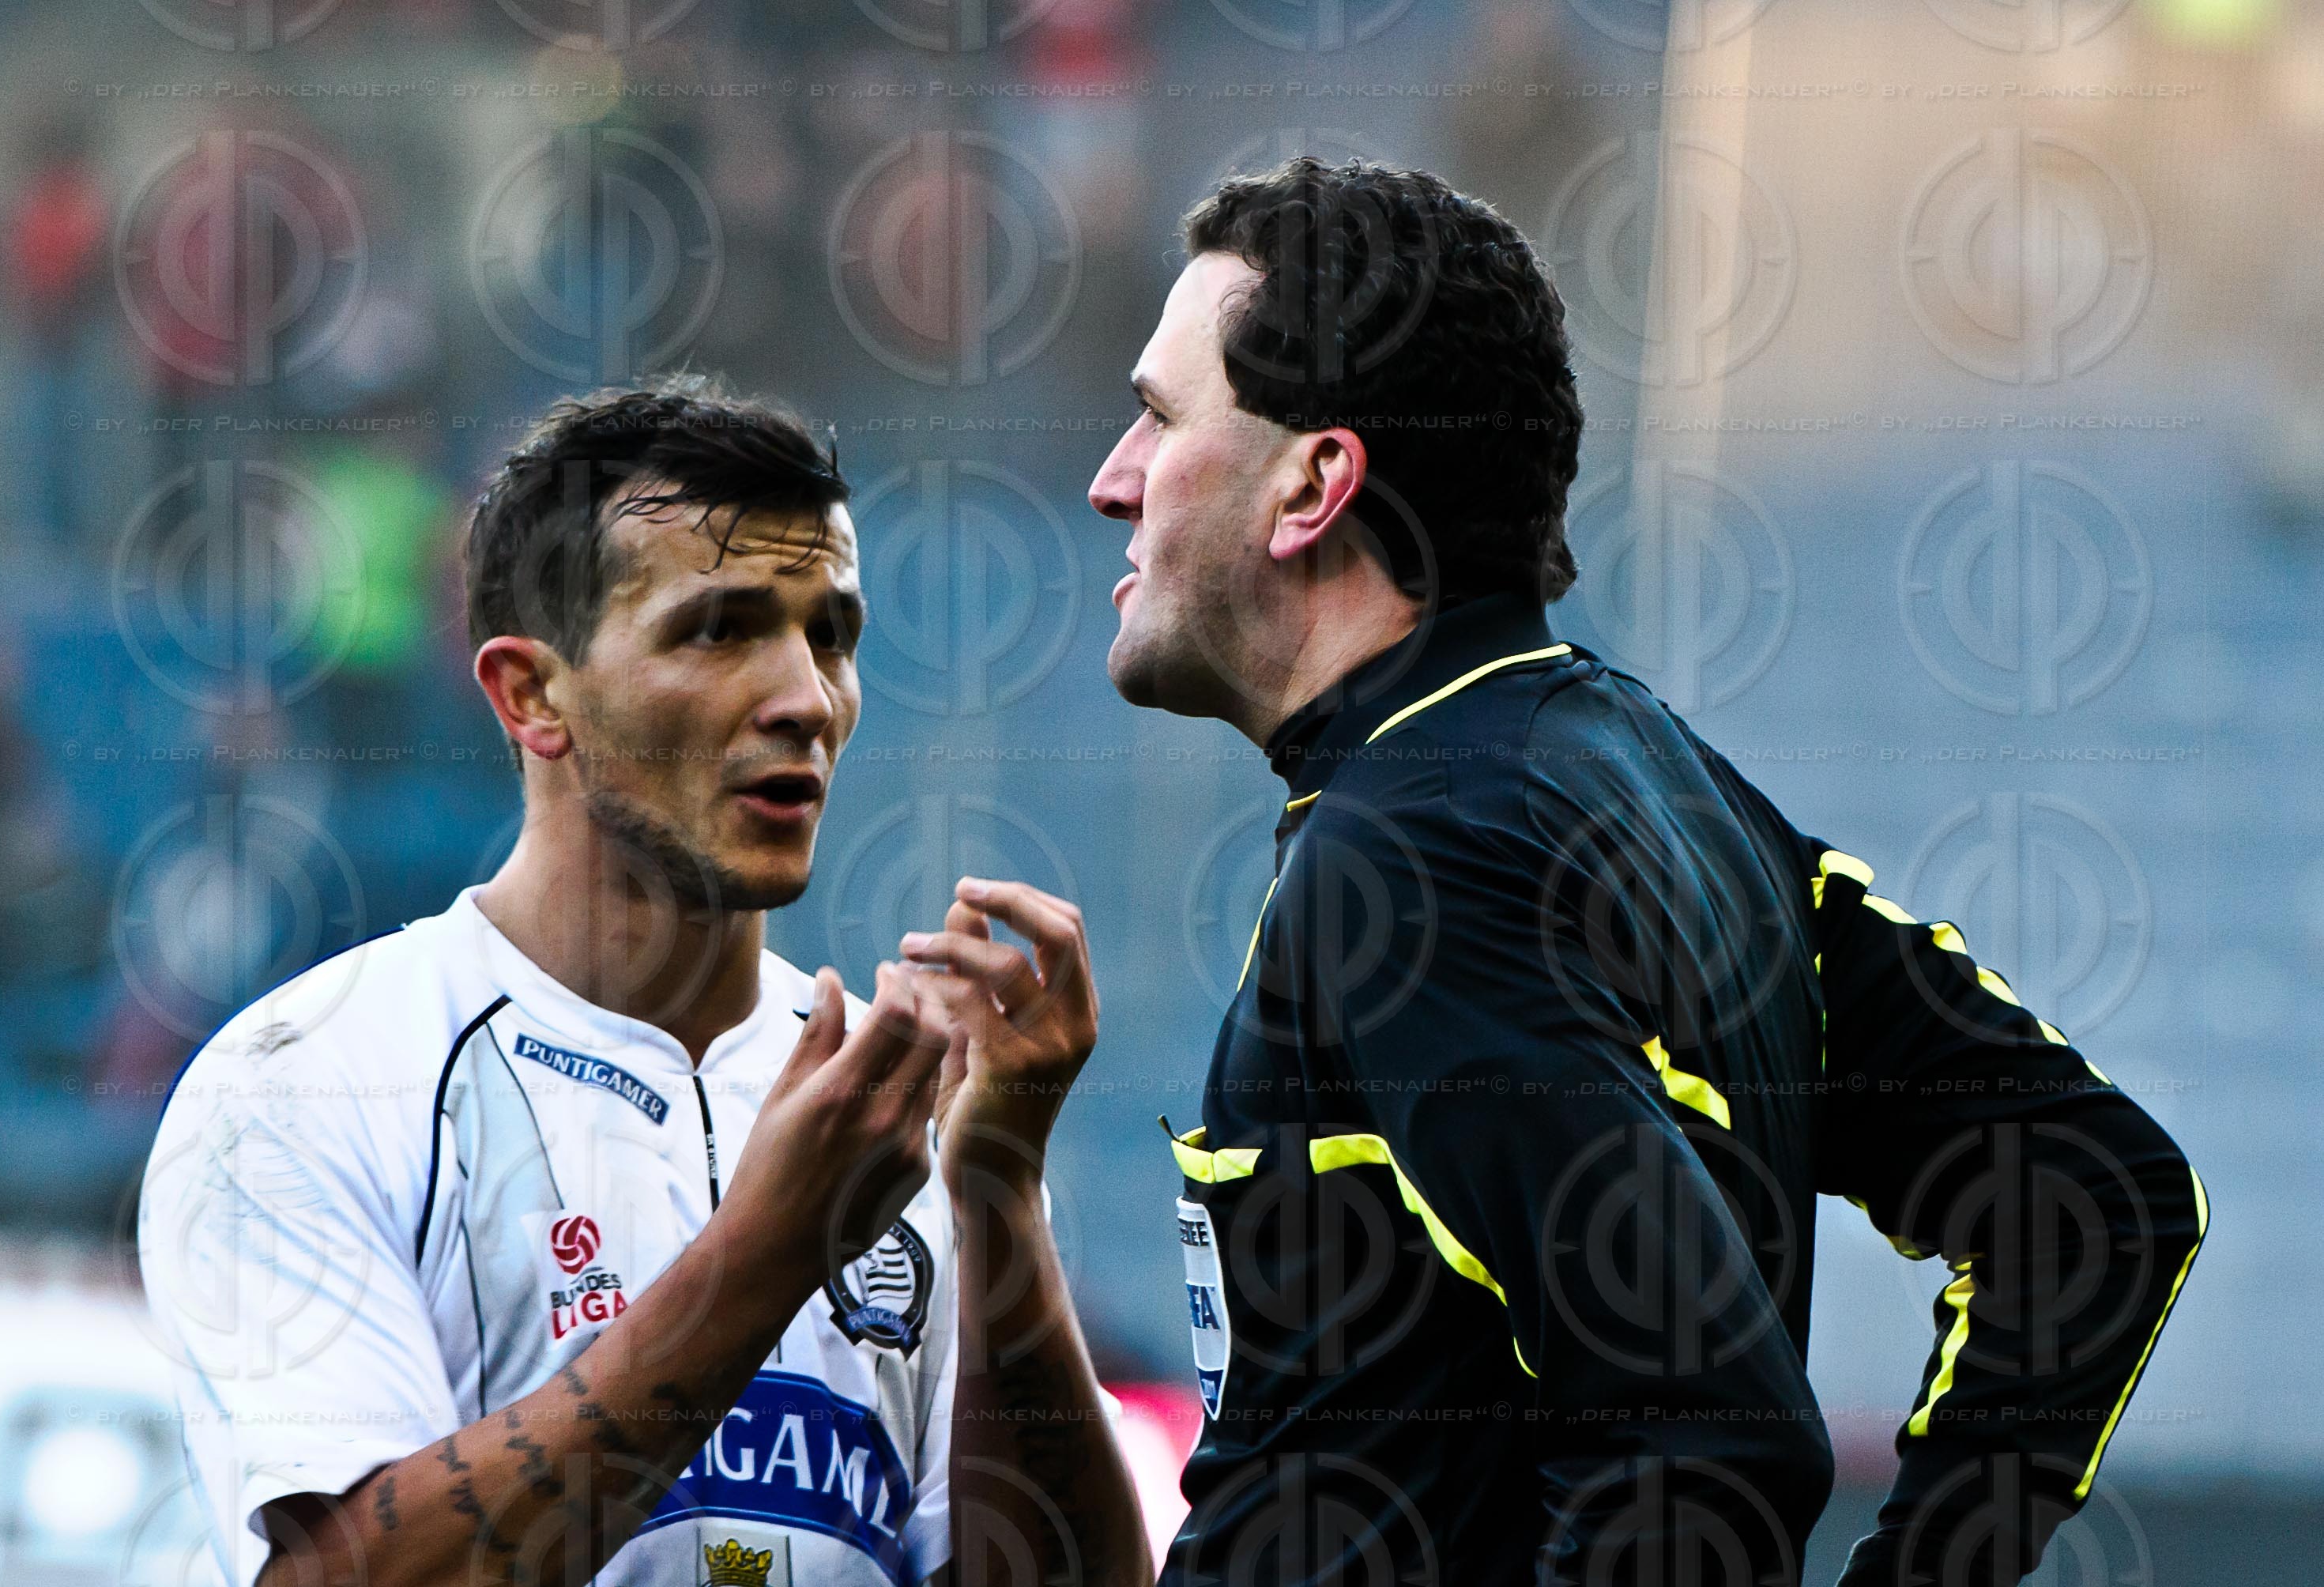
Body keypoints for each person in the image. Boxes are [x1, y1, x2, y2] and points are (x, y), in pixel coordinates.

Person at [1087, 156, 2207, 1587]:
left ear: (1313, 486)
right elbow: (2090, 1192)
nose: (1112, 482)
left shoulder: (1414, 853)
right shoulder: (1666, 791)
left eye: (1157, 417)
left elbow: (1707, 1443)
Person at [137, 379, 1150, 1587]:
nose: (805, 699)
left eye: (830, 636)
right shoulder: (308, 1084)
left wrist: (1000, 1200)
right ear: (531, 695)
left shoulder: (894, 1109)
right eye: (718, 631)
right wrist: (767, 1250)